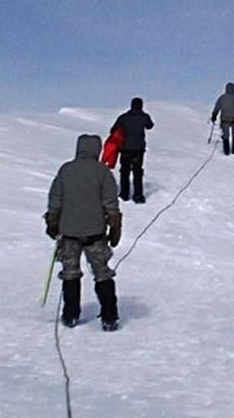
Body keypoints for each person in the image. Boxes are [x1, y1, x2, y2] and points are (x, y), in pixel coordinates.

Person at [45, 133, 123, 331]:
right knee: (102, 273)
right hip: (95, 233)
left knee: (70, 273)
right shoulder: (103, 172)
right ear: (97, 149)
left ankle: (70, 315)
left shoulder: (66, 170)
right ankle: (109, 317)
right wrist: (115, 226)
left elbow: (55, 198)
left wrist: (53, 221)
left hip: (68, 232)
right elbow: (110, 203)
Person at [112, 97, 154, 203]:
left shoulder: (124, 117)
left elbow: (113, 130)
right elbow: (150, 126)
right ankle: (138, 195)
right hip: (138, 149)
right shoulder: (144, 117)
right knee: (137, 172)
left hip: (125, 149)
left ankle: (124, 194)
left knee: (124, 172)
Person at [210, 82, 234, 155]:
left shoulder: (222, 98)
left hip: (224, 119)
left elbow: (217, 107)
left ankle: (226, 151)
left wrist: (214, 115)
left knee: (226, 135)